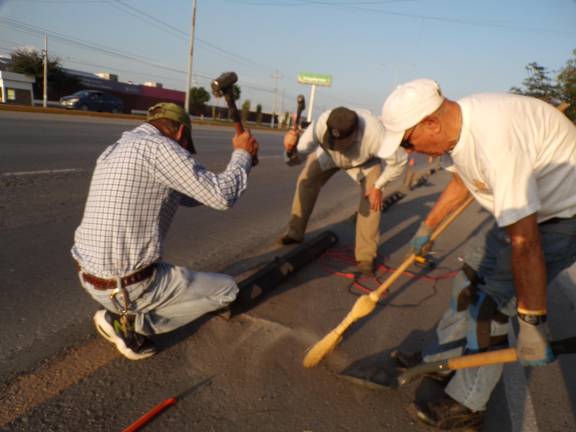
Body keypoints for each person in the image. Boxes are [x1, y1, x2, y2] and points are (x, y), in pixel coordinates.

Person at [379, 79, 576, 430]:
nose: (409, 152)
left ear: (431, 124)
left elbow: (525, 242)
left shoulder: (496, 142)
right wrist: (428, 225)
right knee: (467, 281)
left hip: (561, 217)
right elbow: (462, 182)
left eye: (408, 142)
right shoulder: (458, 128)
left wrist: (533, 321)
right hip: (527, 210)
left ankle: (469, 405)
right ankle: (443, 360)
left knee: (490, 306)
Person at [71, 102, 259, 360]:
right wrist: (243, 155)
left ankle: (120, 311)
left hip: (90, 278)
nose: (184, 153)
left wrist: (242, 167)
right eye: (185, 149)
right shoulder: (161, 148)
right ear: (181, 133)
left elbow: (195, 195)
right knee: (226, 290)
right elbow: (222, 197)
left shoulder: (117, 149)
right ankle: (130, 325)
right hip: (127, 289)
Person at [280, 106, 407, 276]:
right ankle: (294, 233)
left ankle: (366, 257)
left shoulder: (375, 134)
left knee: (371, 201)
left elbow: (399, 161)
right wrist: (289, 149)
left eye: (343, 143)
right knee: (306, 180)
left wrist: (379, 186)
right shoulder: (319, 125)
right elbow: (296, 159)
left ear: (356, 133)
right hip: (329, 157)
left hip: (364, 163)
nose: (339, 146)